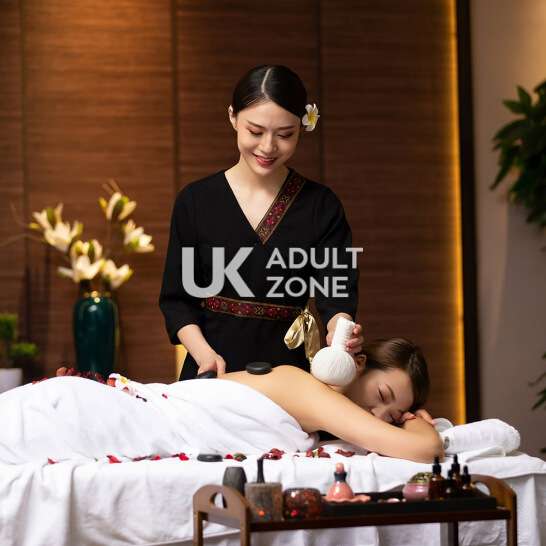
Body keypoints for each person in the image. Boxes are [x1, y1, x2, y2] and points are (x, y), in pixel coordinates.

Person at [159, 64, 363, 380]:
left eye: (285, 135)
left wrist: (341, 332)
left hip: (289, 376)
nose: (268, 147)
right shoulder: (196, 201)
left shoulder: (321, 206)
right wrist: (205, 356)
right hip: (211, 371)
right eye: (255, 132)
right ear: (233, 117)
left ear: (303, 126)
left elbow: (336, 291)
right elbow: (177, 301)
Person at [2, 338, 442, 464]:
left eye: (392, 415)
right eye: (383, 396)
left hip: (91, 410)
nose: (378, 416)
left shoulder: (308, 416)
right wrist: (417, 422)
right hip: (95, 415)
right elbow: (426, 449)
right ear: (358, 364)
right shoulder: (308, 390)